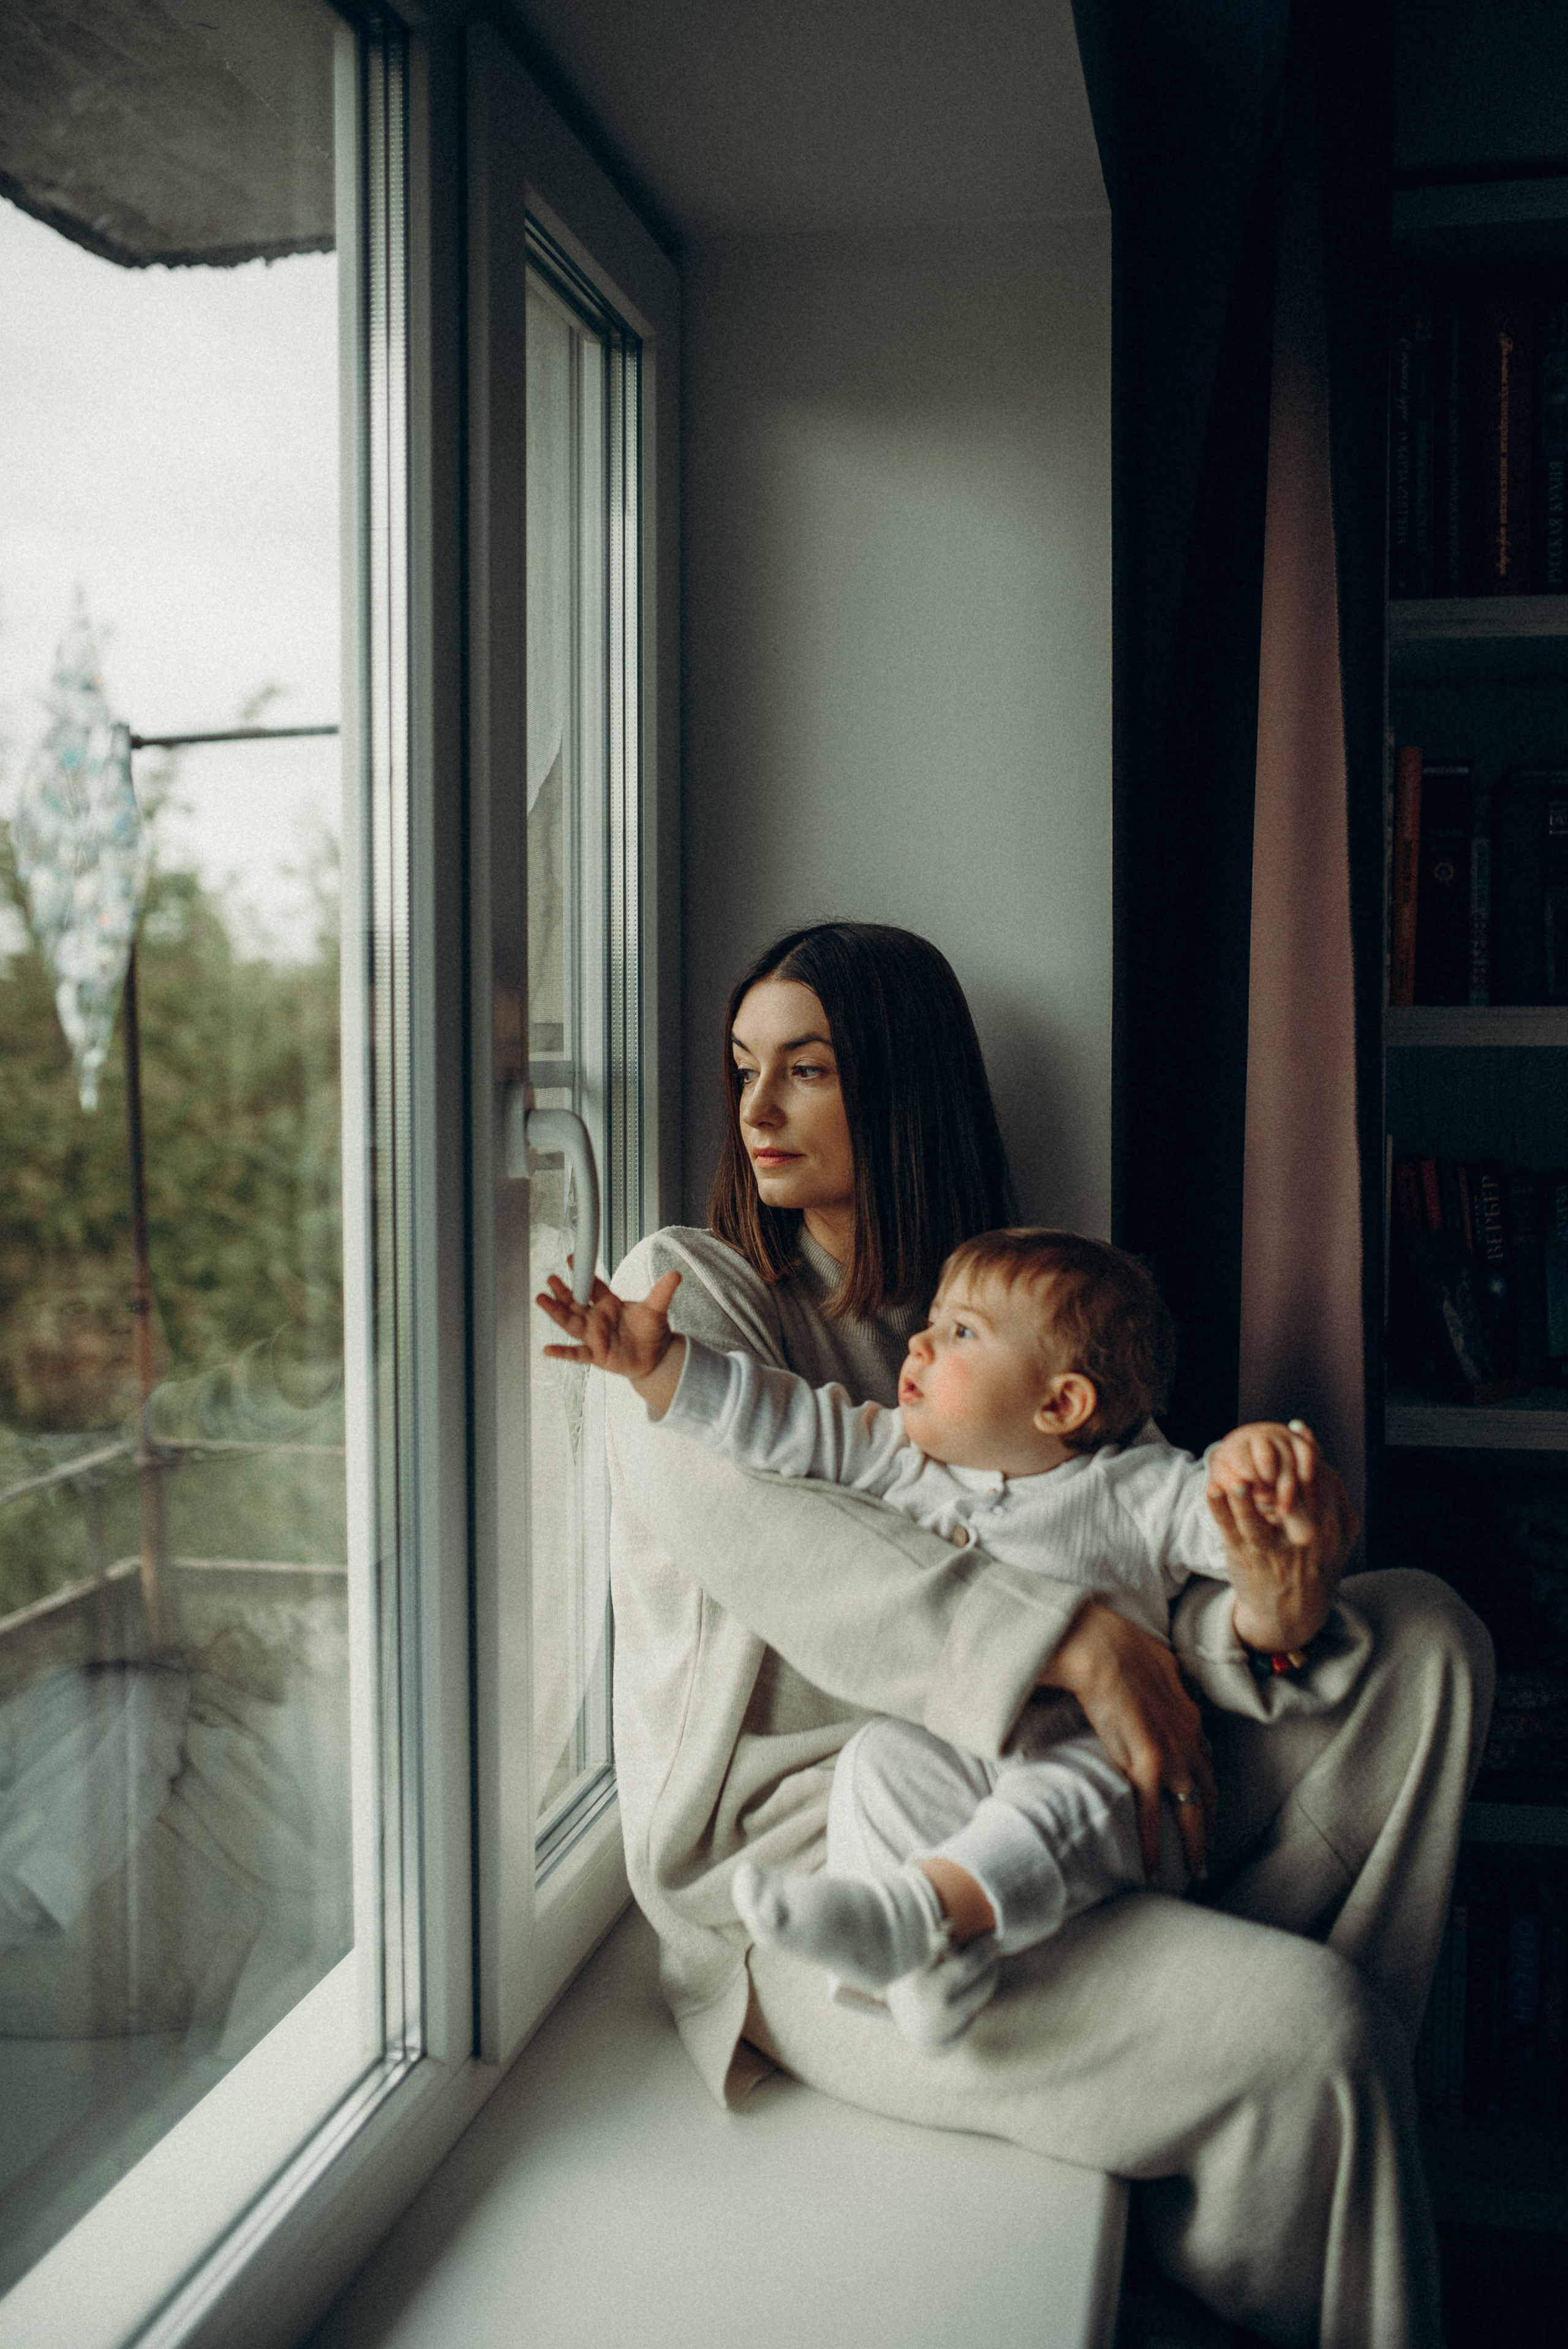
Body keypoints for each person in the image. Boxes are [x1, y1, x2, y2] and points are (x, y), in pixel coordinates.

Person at [601, 918, 1492, 2347]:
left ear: (898, 1085)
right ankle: (1242, 2092)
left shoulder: (994, 1308)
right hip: (833, 1851)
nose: (756, 1110)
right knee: (1311, 2037)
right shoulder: (683, 1301)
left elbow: (1128, 1520)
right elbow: (797, 1553)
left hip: (1056, 1770)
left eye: (806, 1070)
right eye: (742, 1069)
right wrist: (1067, 1641)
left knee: (1426, 1642)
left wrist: (1267, 1601)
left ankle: (1202, 2081)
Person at [541, 1223, 1346, 2055]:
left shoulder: (1137, 1489)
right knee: (876, 1761)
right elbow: (777, 1420)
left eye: (960, 1333)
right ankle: (932, 1972)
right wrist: (663, 1366)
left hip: (1101, 1774)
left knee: (1075, 1785)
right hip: (960, 1762)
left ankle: (919, 1915)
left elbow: (1233, 1528)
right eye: (931, 1320)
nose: (922, 1342)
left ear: (1061, 1403)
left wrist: (1258, 1471)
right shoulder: (900, 1456)